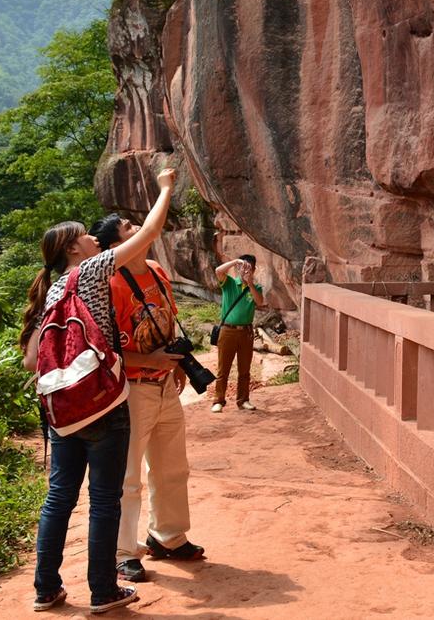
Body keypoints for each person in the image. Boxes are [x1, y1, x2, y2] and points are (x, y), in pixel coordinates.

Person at [20, 168, 176, 615]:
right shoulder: (89, 271)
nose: (93, 238)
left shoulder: (50, 291)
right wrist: (165, 188)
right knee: (104, 500)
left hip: (62, 409)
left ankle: (46, 589)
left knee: (59, 498)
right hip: (104, 405)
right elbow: (149, 232)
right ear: (74, 248)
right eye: (86, 236)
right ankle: (103, 591)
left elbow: (33, 362)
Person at [89, 213, 205, 585]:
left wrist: (177, 363)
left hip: (163, 383)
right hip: (131, 387)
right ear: (113, 247)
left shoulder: (155, 269)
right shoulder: (108, 283)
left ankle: (168, 536)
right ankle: (124, 552)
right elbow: (104, 348)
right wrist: (149, 361)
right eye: (127, 227)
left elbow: (166, 318)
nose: (137, 227)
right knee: (128, 474)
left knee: (173, 465)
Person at [211, 254, 265, 413]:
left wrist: (250, 284)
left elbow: (259, 301)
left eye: (249, 267)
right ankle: (218, 400)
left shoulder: (256, 288)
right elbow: (218, 271)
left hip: (246, 332)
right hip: (228, 331)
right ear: (238, 268)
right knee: (223, 369)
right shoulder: (229, 283)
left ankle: (243, 400)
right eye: (243, 267)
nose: (245, 270)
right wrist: (236, 261)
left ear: (254, 270)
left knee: (244, 369)